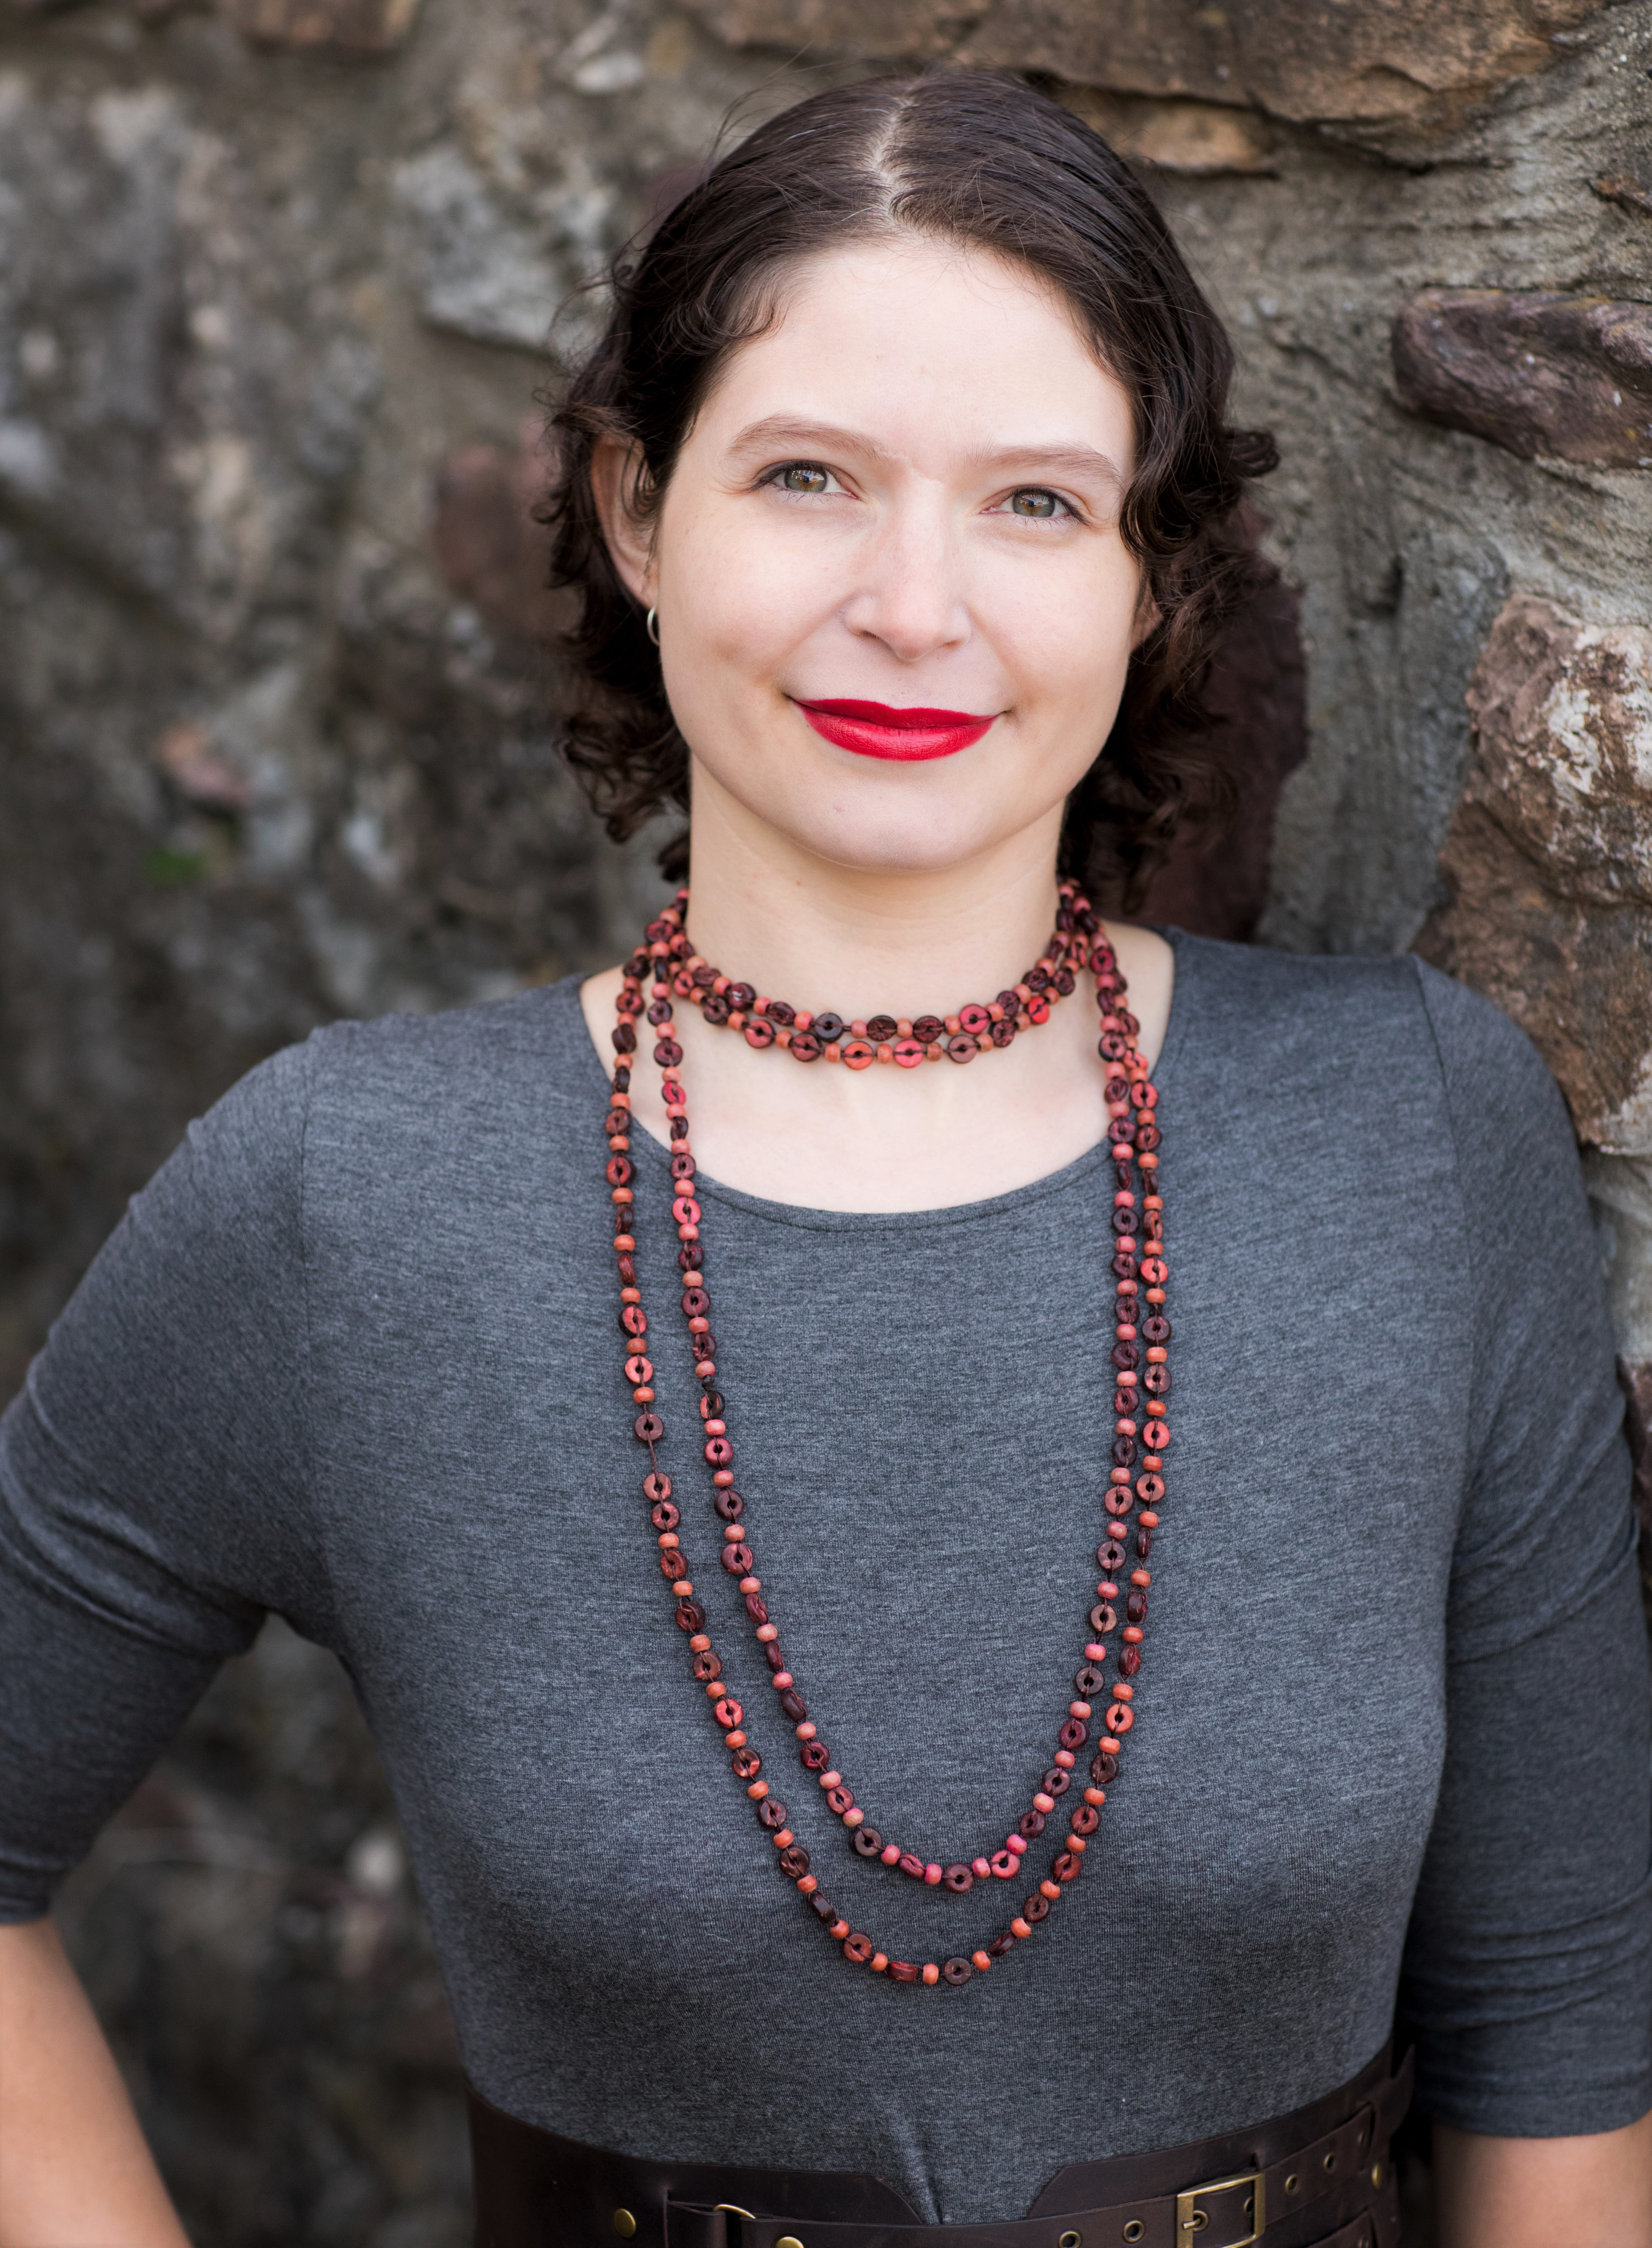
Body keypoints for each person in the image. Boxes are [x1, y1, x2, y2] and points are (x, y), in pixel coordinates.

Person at [1, 69, 1648, 2248]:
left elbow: (1562, 2021)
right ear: (635, 508)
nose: (912, 604)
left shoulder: (1414, 1135)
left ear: (1149, 577)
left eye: (1035, 503)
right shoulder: (345, 1200)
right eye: (806, 476)